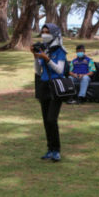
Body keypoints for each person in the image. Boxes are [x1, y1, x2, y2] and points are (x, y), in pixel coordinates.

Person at [32, 23, 67, 162]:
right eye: (43, 32)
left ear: (55, 34)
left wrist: (48, 60)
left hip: (56, 87)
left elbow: (60, 70)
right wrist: (36, 57)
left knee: (52, 119)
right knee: (46, 121)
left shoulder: (60, 51)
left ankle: (56, 150)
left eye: (48, 32)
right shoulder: (43, 49)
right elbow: (37, 71)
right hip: (44, 87)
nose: (44, 34)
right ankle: (50, 149)